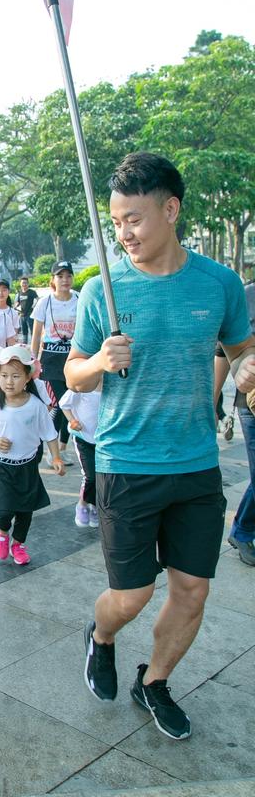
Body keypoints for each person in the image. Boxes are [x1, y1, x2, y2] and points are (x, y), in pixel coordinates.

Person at [65, 152, 255, 741]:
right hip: (127, 464)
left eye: (135, 219)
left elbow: (241, 347)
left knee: (192, 591)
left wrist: (246, 368)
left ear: (170, 211)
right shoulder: (104, 290)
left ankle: (156, 681)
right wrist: (99, 360)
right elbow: (73, 374)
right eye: (116, 221)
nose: (123, 233)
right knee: (130, 595)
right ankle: (100, 638)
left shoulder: (218, 283)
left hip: (197, 464)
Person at [0, 345, 65, 565]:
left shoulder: (35, 406)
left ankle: (18, 544)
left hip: (27, 465)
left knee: (26, 511)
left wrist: (55, 458)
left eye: (15, 376)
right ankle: (3, 534)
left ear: (28, 377)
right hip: (0, 465)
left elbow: (49, 434)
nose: (9, 381)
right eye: (4, 375)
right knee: (5, 510)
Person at [215, 280, 255, 566]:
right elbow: (223, 352)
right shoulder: (247, 294)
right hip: (251, 402)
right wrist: (211, 403)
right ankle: (241, 531)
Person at [31, 262, 79, 462]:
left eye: (68, 276)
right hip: (50, 359)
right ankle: (52, 451)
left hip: (73, 358)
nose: (65, 280)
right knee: (59, 404)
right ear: (53, 280)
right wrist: (32, 361)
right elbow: (35, 334)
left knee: (71, 403)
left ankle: (62, 448)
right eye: (60, 276)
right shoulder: (45, 302)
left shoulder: (79, 299)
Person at [59, 385, 101, 528]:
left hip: (104, 440)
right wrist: (72, 421)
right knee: (90, 475)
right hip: (83, 438)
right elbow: (63, 404)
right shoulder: (82, 385)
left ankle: (95, 505)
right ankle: (82, 503)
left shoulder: (112, 384)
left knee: (102, 475)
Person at [15, 277, 38, 345]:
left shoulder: (32, 292)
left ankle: (33, 345)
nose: (24, 284)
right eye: (23, 283)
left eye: (25, 283)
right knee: (24, 332)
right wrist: (16, 306)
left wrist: (34, 306)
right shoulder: (19, 293)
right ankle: (25, 346)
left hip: (30, 315)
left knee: (32, 331)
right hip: (22, 315)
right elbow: (17, 303)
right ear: (20, 284)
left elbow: (38, 299)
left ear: (28, 284)